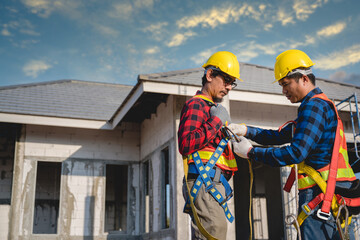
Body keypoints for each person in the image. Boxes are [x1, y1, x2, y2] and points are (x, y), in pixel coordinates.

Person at [230, 49, 357, 240]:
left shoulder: (313, 106)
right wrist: (246, 130)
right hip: (334, 194)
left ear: (304, 79)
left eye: (286, 84)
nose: (283, 91)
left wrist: (251, 153)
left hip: (320, 195)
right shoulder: (323, 106)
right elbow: (280, 135)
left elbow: (296, 153)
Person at [178, 51, 241, 239]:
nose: (229, 87)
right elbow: (186, 143)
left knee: (215, 233)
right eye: (226, 80)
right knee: (213, 234)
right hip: (204, 182)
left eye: (232, 83)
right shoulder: (197, 105)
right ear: (210, 75)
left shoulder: (212, 110)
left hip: (212, 184)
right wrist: (216, 122)